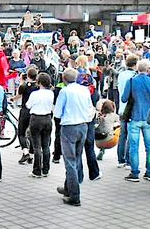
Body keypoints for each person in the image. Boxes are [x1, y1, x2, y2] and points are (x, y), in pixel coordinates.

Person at [54, 68, 93, 207]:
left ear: (64, 79)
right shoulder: (84, 90)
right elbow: (90, 108)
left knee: (70, 161)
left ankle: (74, 195)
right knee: (76, 157)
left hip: (69, 126)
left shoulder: (64, 91)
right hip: (83, 125)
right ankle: (69, 187)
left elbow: (57, 113)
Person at [120, 59, 150, 182]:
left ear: (138, 69)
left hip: (135, 116)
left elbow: (123, 98)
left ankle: (134, 173)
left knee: (134, 146)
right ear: (148, 69)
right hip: (149, 118)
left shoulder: (132, 81)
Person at [27, 72, 55, 178]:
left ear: (39, 82)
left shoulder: (35, 94)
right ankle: (46, 169)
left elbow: (28, 105)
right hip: (47, 118)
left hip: (36, 118)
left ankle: (37, 170)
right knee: (46, 145)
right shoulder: (51, 93)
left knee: (37, 146)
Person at [116, 54, 138, 168]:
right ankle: (129, 160)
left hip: (121, 107)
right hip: (131, 109)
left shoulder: (121, 75)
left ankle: (120, 159)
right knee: (131, 135)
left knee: (122, 135)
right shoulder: (134, 76)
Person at [15, 66, 38, 164]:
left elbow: (18, 96)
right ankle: (32, 154)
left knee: (21, 132)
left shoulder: (23, 86)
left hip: (25, 110)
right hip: (35, 111)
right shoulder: (38, 86)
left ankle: (25, 151)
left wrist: (21, 82)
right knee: (33, 133)